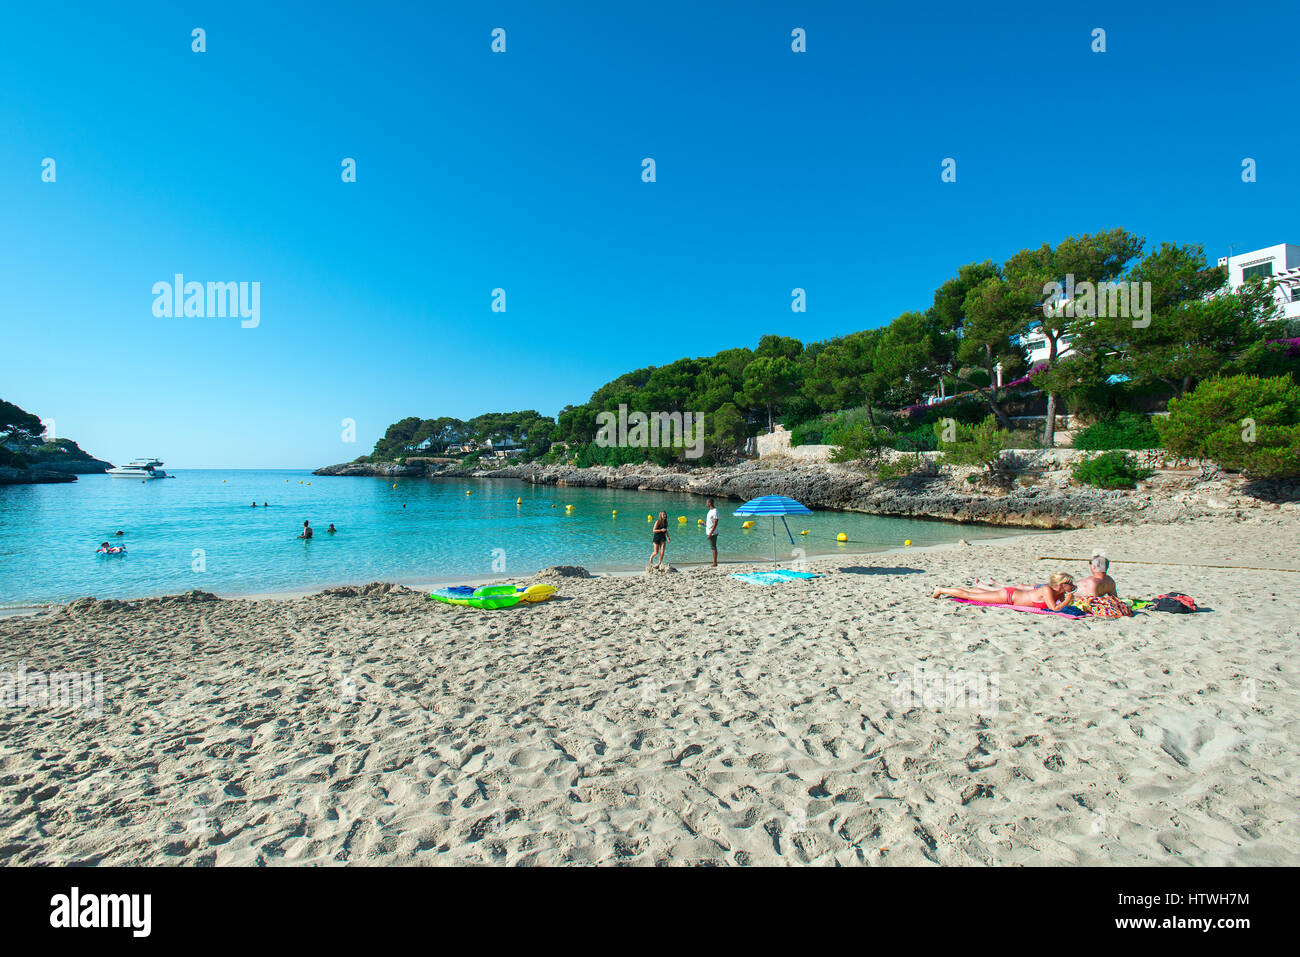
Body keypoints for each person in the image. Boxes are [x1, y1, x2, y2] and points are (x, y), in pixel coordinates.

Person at [932, 572, 1076, 611]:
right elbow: (1054, 608)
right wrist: (1067, 601)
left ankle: (977, 587)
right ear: (1063, 584)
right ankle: (941, 589)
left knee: (976, 593)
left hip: (1011, 595)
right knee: (970, 596)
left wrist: (1067, 599)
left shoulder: (1061, 594)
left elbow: (1063, 605)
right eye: (1070, 584)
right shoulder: (1047, 590)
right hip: (1008, 596)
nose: (1073, 586)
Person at [704, 498, 719, 568]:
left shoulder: (715, 511)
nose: (706, 504)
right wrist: (705, 524)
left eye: (707, 502)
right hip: (710, 531)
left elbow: (715, 523)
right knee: (712, 547)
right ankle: (714, 562)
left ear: (710, 503)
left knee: (713, 547)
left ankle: (715, 562)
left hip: (713, 533)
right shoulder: (710, 511)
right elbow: (711, 523)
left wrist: (710, 533)